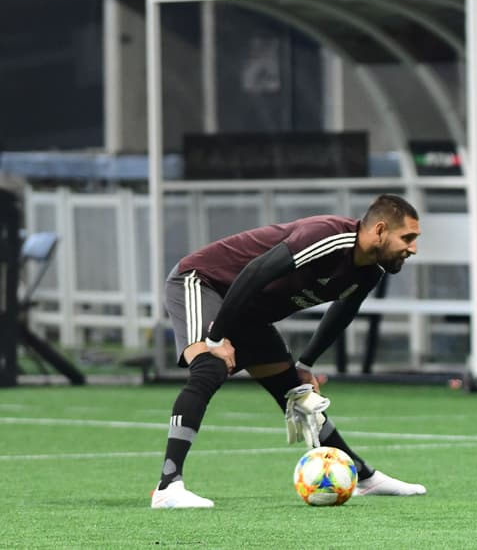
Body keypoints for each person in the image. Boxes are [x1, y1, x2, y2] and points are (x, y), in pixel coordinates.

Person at [150, 194, 429, 509]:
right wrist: (215, 339)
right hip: (203, 282)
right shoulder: (328, 238)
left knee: (297, 394)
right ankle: (168, 486)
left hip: (248, 311)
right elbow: (255, 272)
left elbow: (342, 312)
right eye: (407, 238)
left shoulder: (368, 271)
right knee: (209, 369)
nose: (413, 248)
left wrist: (306, 363)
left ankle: (363, 477)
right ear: (380, 230)